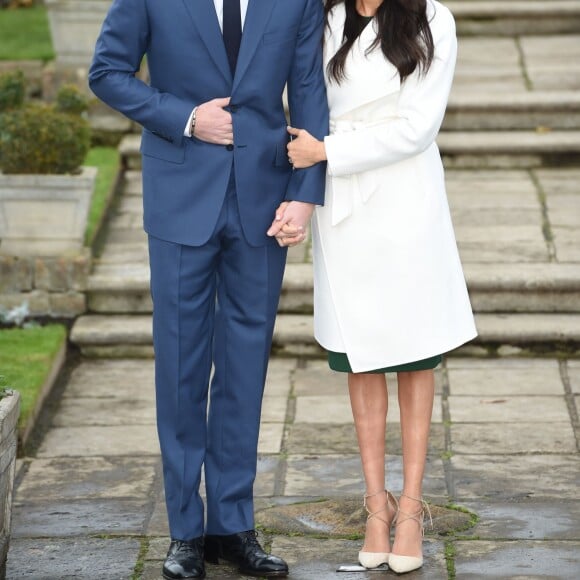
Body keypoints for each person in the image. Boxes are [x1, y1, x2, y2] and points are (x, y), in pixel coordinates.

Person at [89, 1, 328, 578]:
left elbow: (310, 91)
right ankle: (184, 533)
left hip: (264, 200)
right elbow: (107, 73)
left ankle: (232, 526)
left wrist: (306, 191)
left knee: (245, 368)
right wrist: (186, 118)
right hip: (178, 197)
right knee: (180, 365)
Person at [269, 0, 477, 574]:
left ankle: (410, 508)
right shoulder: (323, 16)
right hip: (345, 207)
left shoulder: (433, 18)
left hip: (405, 199)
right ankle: (375, 508)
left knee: (413, 355)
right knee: (360, 358)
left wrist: (328, 150)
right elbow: (303, 95)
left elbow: (418, 127)